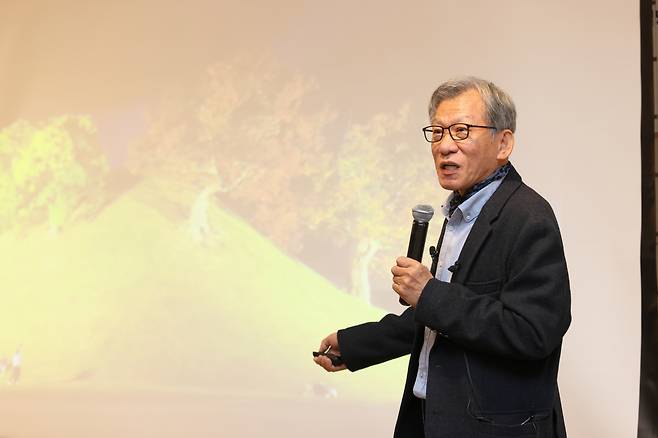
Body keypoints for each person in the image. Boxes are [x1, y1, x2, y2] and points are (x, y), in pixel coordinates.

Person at [314, 77, 571, 438]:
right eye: (437, 132)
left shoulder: (528, 217)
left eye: (462, 131)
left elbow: (532, 333)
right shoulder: (461, 211)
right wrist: (358, 345)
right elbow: (438, 319)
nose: (445, 146)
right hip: (430, 420)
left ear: (504, 143)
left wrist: (430, 292)